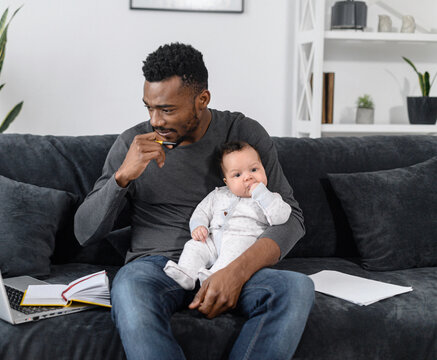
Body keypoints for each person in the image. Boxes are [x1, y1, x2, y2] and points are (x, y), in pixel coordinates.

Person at [74, 42, 314, 360]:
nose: (155, 120)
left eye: (168, 110)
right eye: (149, 107)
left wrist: (236, 272)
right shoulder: (133, 144)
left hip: (233, 258)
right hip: (156, 266)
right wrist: (122, 178)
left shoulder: (243, 134)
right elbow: (83, 233)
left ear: (202, 100)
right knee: (129, 289)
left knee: (296, 289)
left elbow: (292, 218)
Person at [164, 141, 292, 291]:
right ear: (227, 181)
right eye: (237, 174)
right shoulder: (218, 194)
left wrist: (261, 194)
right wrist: (199, 226)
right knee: (194, 246)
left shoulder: (270, 197)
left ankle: (214, 277)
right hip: (211, 239)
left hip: (243, 240)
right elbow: (201, 212)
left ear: (263, 169)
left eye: (254, 169)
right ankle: (187, 273)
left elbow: (281, 217)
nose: (248, 177)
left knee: (234, 252)